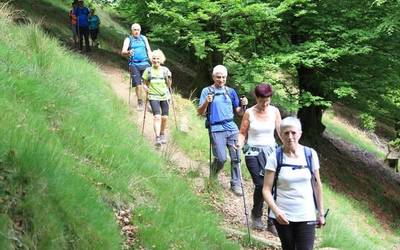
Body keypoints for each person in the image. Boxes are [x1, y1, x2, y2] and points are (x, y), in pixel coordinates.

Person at [262, 117, 325, 250]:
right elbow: (266, 190)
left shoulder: (310, 154)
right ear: (281, 135)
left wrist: (321, 213)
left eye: (293, 132)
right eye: (286, 133)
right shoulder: (275, 157)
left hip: (306, 214)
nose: (290, 137)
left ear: (300, 134)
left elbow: (317, 185)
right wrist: (276, 211)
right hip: (283, 216)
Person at [237, 83, 281, 233]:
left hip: (271, 151)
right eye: (262, 101)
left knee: (274, 185)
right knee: (261, 184)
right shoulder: (249, 112)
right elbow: (243, 132)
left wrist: (290, 148)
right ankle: (256, 215)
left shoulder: (274, 111)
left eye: (268, 101)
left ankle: (272, 221)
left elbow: (281, 132)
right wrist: (238, 143)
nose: (265, 104)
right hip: (253, 152)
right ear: (256, 98)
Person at [198, 65, 248, 196]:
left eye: (223, 77)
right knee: (220, 158)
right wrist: (207, 102)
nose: (221, 80)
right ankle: (213, 173)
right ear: (213, 77)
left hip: (231, 127)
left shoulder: (231, 92)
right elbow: (200, 112)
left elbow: (240, 112)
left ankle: (236, 184)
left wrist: (243, 105)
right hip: (216, 128)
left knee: (236, 157)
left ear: (226, 78)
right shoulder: (206, 91)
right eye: (218, 77)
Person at [142, 49, 172, 146]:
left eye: (157, 58)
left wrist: (169, 79)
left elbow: (169, 84)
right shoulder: (148, 71)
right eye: (154, 58)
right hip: (153, 96)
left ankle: (162, 133)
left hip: (165, 96)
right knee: (157, 117)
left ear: (161, 59)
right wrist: (145, 88)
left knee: (165, 117)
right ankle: (158, 137)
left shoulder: (165, 70)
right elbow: (144, 82)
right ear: (151, 59)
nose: (155, 60)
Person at [121, 23, 152, 110]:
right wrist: (128, 52)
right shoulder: (128, 39)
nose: (136, 31)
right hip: (134, 64)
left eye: (138, 30)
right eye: (134, 30)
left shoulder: (144, 38)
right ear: (132, 30)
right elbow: (123, 51)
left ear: (140, 30)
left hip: (145, 63)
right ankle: (140, 102)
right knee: (138, 85)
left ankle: (149, 101)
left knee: (149, 83)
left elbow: (149, 50)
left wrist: (152, 61)